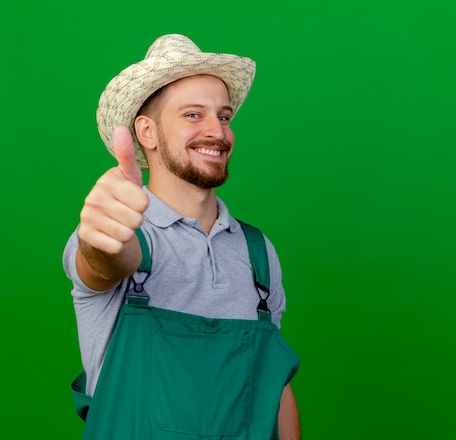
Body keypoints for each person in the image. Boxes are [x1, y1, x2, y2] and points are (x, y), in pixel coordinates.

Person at [63, 34, 301, 439]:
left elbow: (273, 382)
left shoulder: (258, 253)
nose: (217, 132)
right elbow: (104, 263)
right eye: (193, 115)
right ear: (147, 132)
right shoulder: (123, 234)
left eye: (223, 117)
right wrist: (104, 238)